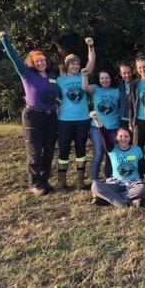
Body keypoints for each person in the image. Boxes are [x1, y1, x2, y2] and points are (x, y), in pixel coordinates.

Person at [0, 31, 60, 195]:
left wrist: (57, 105)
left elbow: (56, 95)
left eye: (42, 60)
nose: (40, 63)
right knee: (34, 151)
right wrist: (4, 40)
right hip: (33, 116)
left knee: (49, 150)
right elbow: (14, 58)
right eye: (37, 61)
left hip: (51, 116)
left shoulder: (52, 76)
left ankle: (45, 180)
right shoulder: (27, 74)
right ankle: (34, 183)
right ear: (32, 63)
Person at [89, 111, 145, 208]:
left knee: (143, 188)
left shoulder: (136, 150)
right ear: (117, 138)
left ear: (130, 138)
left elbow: (144, 168)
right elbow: (104, 134)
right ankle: (127, 203)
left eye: (126, 136)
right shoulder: (112, 149)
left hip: (133, 185)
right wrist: (97, 119)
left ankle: (109, 199)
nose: (123, 139)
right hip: (117, 184)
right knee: (95, 186)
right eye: (121, 136)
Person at [56, 37, 96, 190]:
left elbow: (91, 62)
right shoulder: (59, 80)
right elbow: (51, 94)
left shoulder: (83, 76)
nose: (75, 65)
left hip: (83, 119)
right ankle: (62, 181)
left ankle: (80, 181)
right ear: (67, 66)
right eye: (72, 63)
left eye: (77, 63)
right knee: (64, 150)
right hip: (64, 120)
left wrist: (90, 46)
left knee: (81, 150)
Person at [82, 68, 120, 183]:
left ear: (111, 78)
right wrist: (84, 76)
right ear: (99, 80)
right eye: (102, 78)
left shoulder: (117, 90)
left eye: (107, 78)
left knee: (111, 153)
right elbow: (85, 88)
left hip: (114, 127)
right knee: (98, 154)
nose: (105, 80)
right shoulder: (95, 89)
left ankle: (109, 176)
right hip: (97, 127)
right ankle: (95, 180)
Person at [128, 56, 145, 151]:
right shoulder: (134, 84)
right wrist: (130, 123)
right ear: (137, 69)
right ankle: (139, 166)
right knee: (137, 147)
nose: (142, 69)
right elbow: (131, 104)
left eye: (144, 66)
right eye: (140, 67)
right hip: (139, 120)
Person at [117, 62, 134, 130]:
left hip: (135, 119)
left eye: (129, 72)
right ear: (120, 73)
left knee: (135, 140)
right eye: (124, 73)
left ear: (132, 72)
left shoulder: (137, 83)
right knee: (124, 139)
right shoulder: (118, 84)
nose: (127, 75)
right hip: (122, 118)